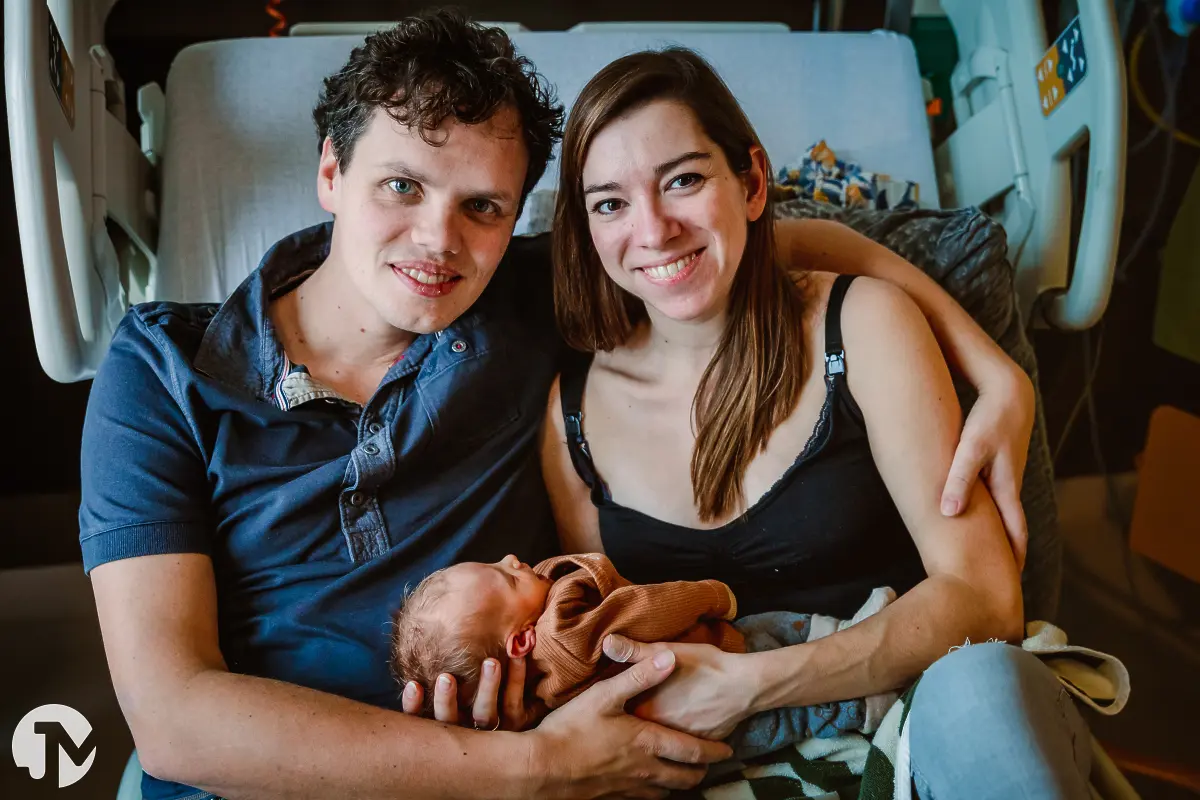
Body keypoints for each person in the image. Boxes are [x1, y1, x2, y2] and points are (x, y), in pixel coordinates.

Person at [80, 11, 1037, 800]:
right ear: (331, 171)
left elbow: (747, 241)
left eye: (484, 207)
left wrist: (997, 368)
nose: (438, 241)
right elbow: (173, 719)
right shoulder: (163, 369)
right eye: (401, 185)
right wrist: (528, 767)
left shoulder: (517, 304)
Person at [528, 48, 1092, 798]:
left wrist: (753, 683)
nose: (655, 229)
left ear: (752, 181)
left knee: (984, 688)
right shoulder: (571, 419)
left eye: (685, 180)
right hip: (715, 767)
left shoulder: (860, 326)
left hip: (917, 718)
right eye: (611, 203)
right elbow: (606, 646)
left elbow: (985, 598)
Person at [390, 553, 897, 759]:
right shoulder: (565, 626)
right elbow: (640, 610)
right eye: (509, 577)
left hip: (672, 721)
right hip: (706, 664)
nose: (512, 559)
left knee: (773, 703)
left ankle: (856, 646)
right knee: (775, 660)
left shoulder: (537, 691)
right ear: (521, 641)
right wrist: (712, 596)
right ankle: (864, 702)